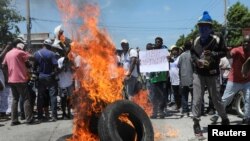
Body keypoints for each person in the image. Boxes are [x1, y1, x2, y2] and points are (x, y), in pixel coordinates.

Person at [190, 11, 228, 138]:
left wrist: (213, 54)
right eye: (200, 26)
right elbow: (192, 54)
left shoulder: (217, 38)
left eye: (205, 26)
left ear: (210, 27)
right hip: (198, 73)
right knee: (197, 99)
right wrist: (197, 61)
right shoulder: (195, 39)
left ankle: (224, 119)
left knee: (216, 100)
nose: (202, 28)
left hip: (213, 74)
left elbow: (224, 52)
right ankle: (196, 123)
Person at [211, 34, 250, 125]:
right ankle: (217, 115)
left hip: (247, 80)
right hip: (234, 80)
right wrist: (227, 50)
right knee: (225, 99)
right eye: (244, 42)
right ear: (242, 43)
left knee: (248, 99)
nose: (246, 44)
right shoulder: (237, 50)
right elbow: (229, 56)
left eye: (248, 43)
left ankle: (247, 117)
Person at [2, 39, 35, 125]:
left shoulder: (8, 54)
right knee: (26, 98)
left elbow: (3, 65)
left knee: (15, 99)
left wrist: (7, 74)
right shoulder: (19, 52)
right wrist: (25, 52)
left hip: (11, 80)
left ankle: (14, 120)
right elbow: (32, 57)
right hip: (20, 79)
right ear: (18, 45)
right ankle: (29, 119)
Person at [34, 39, 58, 122]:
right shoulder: (52, 54)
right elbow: (56, 66)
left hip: (40, 77)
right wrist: (54, 74)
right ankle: (54, 116)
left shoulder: (36, 53)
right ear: (49, 46)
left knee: (40, 96)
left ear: (43, 44)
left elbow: (34, 66)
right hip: (50, 77)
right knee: (53, 96)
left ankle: (40, 116)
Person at [149, 37, 169, 118]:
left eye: (159, 41)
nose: (157, 43)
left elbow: (168, 62)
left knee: (162, 95)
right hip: (154, 77)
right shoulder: (151, 52)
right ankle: (154, 112)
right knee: (153, 96)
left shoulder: (165, 50)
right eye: (156, 42)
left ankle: (161, 111)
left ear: (162, 42)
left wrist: (167, 75)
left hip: (162, 77)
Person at [178, 40, 193, 117]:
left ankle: (185, 111)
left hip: (183, 78)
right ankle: (193, 111)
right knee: (194, 95)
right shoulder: (193, 55)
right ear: (191, 46)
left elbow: (179, 66)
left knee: (184, 95)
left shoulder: (181, 55)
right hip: (192, 78)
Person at [168, 45, 181, 111]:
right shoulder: (170, 59)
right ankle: (177, 105)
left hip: (179, 79)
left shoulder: (180, 58)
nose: (174, 51)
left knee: (179, 93)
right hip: (172, 80)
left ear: (178, 51)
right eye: (173, 50)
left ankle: (181, 106)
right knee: (175, 94)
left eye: (176, 50)